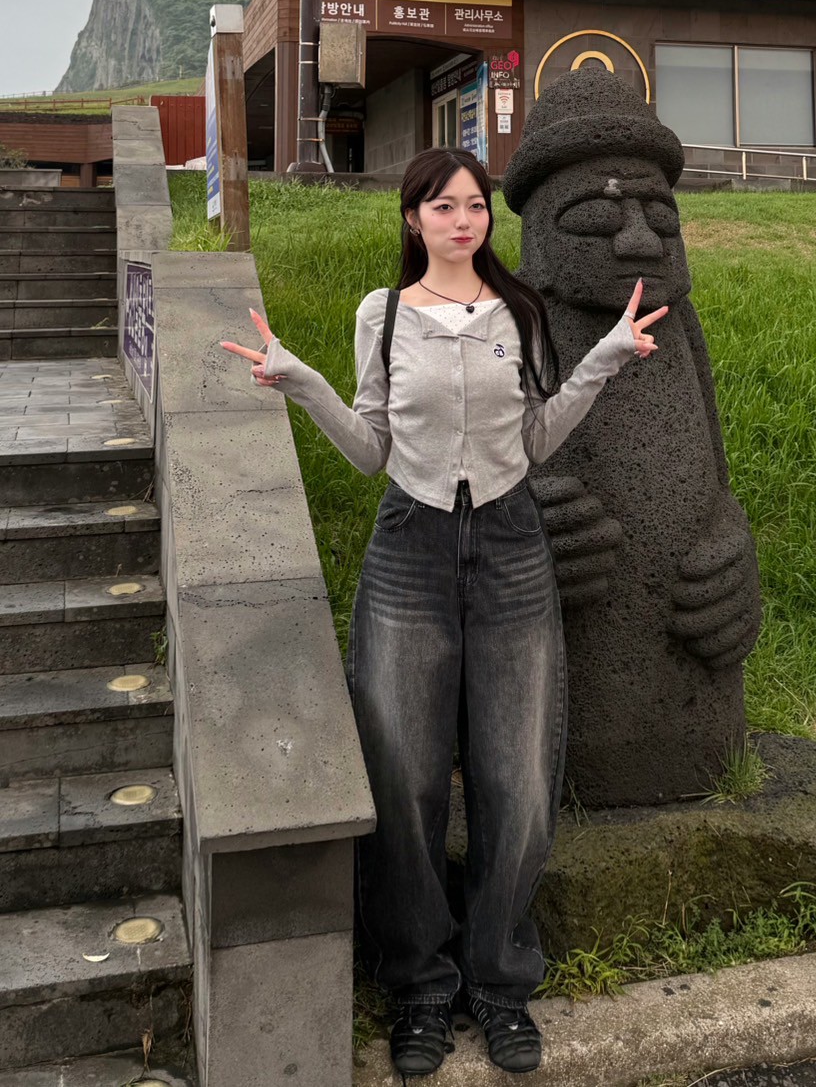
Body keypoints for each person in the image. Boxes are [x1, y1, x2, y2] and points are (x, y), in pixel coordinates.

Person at [220, 146, 667, 1077]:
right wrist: (298, 379)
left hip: (511, 548)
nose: (464, 221)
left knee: (519, 779)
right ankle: (420, 986)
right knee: (404, 778)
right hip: (409, 551)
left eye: (475, 206)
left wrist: (605, 360)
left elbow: (536, 438)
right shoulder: (381, 316)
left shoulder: (522, 312)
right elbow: (371, 449)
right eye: (444, 206)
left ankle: (500, 982)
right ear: (412, 218)